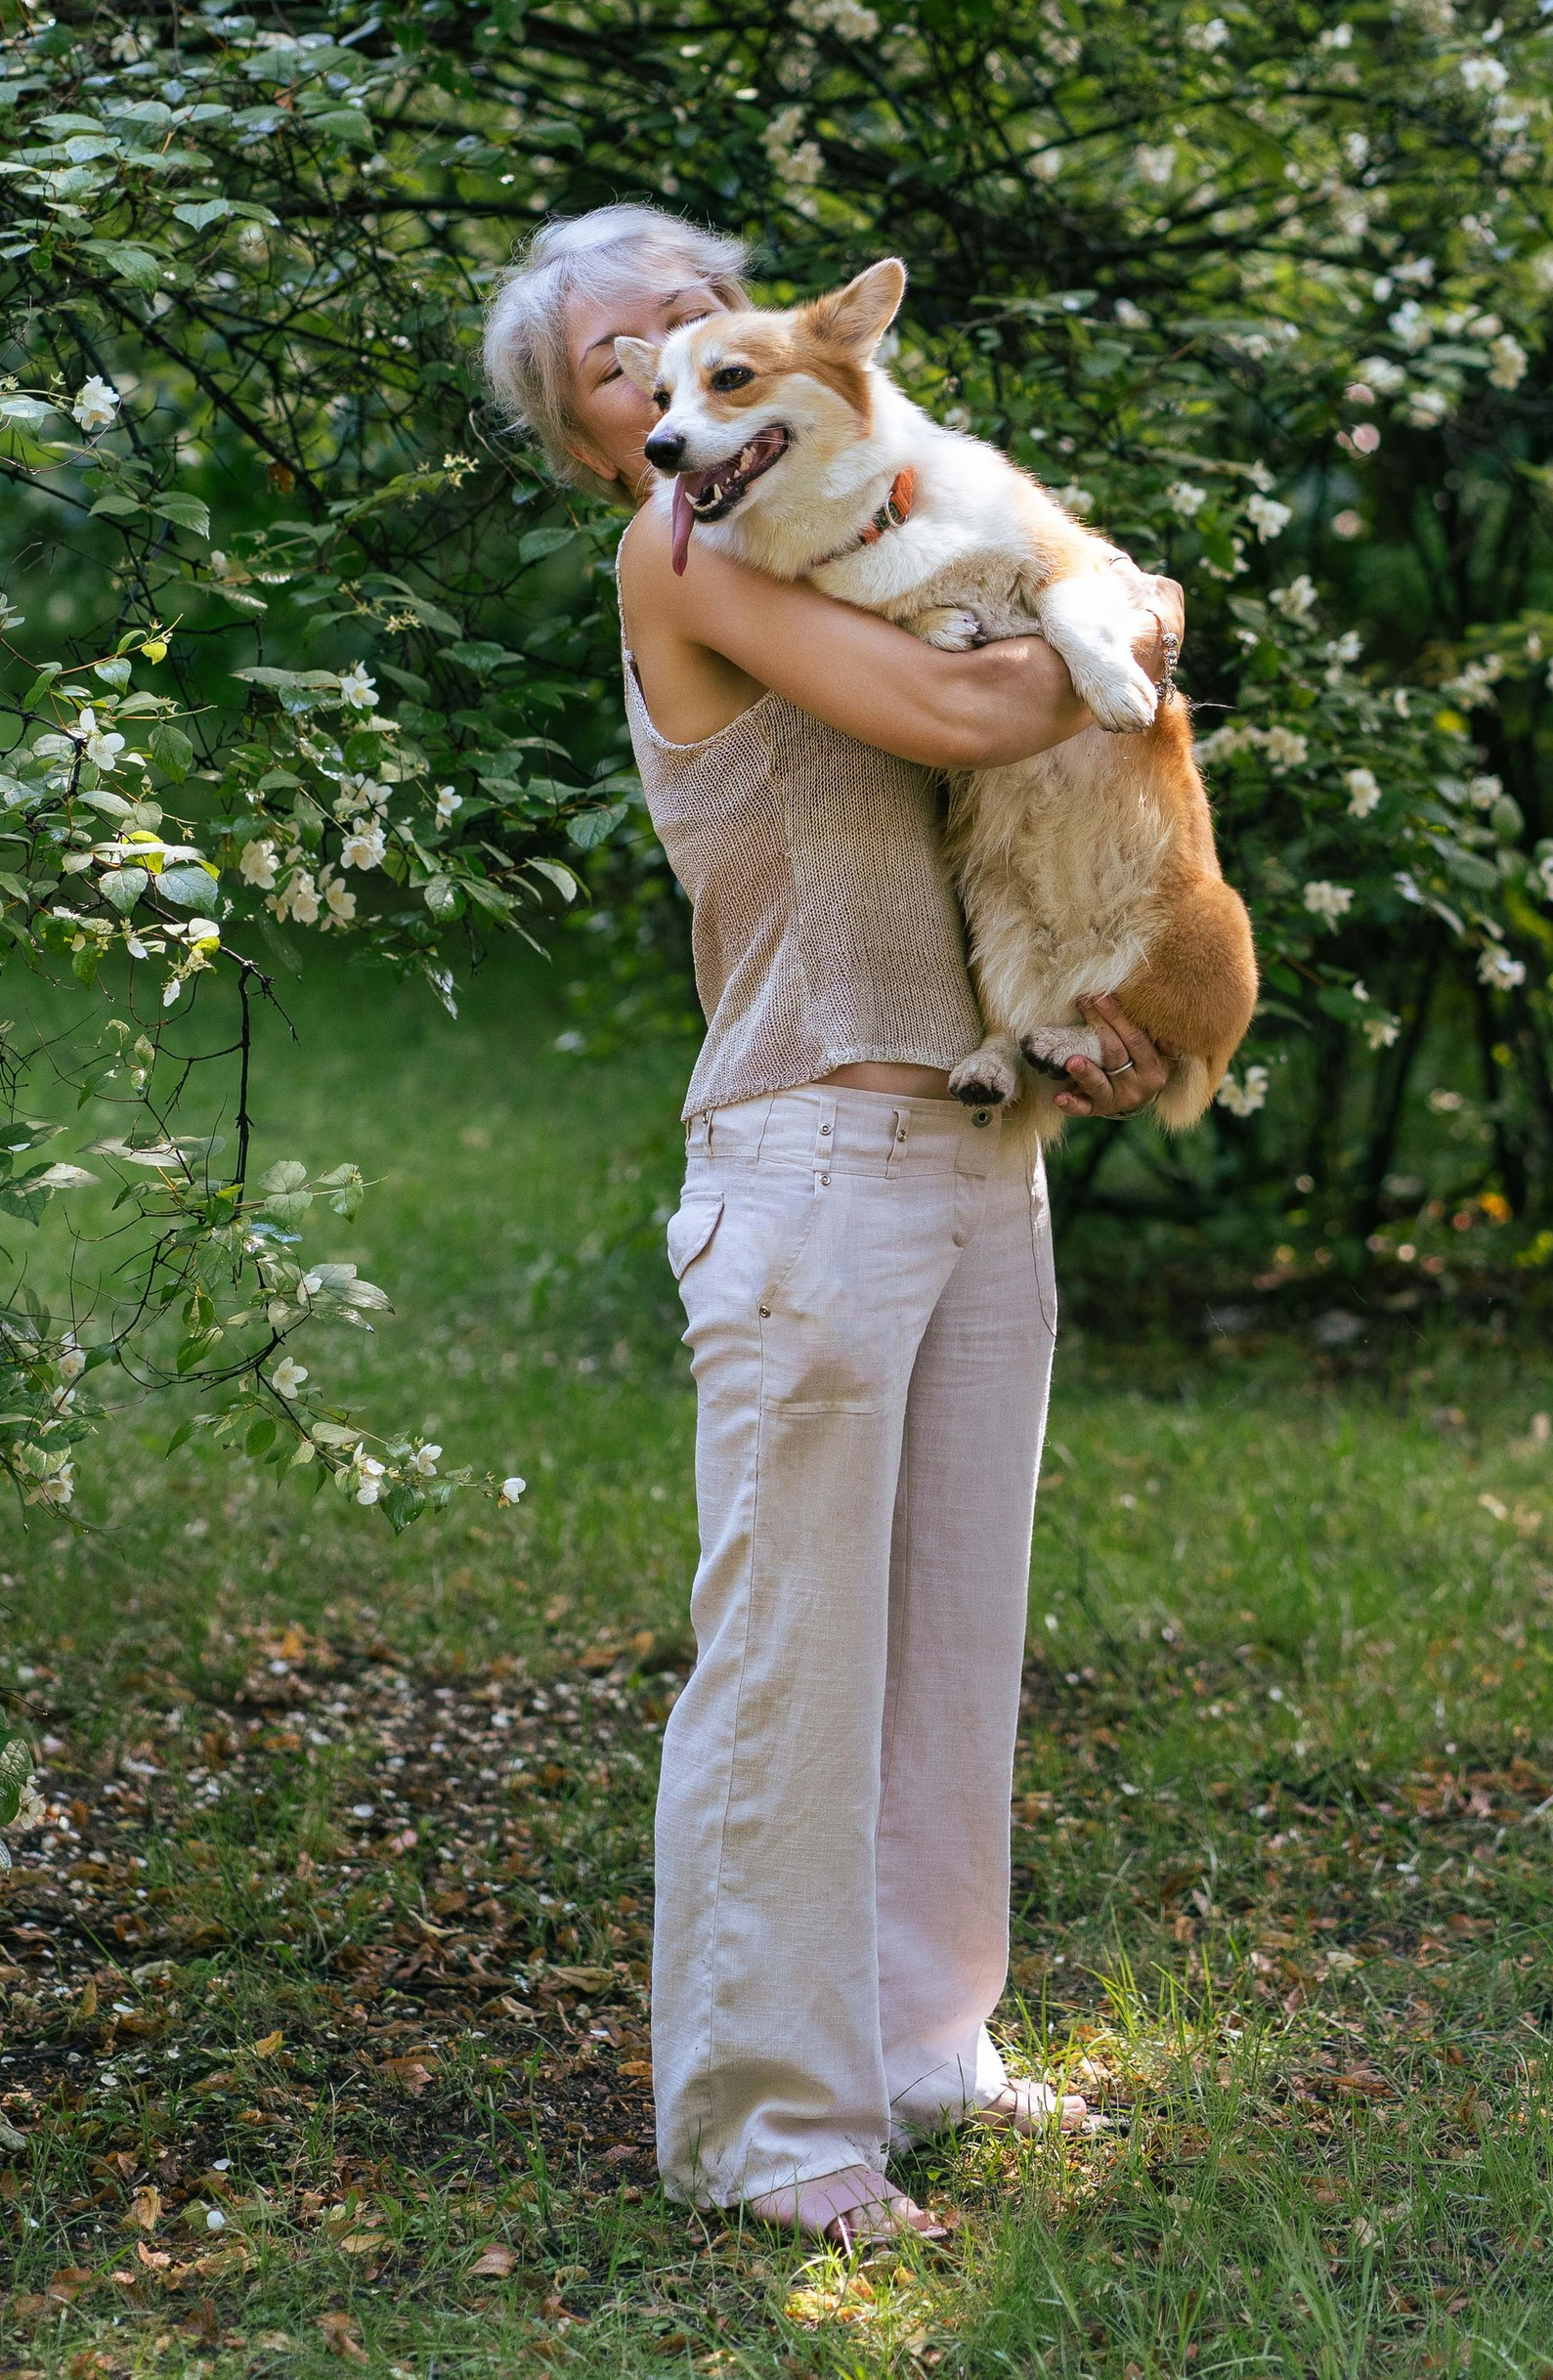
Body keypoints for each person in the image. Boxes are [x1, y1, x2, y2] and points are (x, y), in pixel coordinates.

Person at [481, 201, 1179, 2252]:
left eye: (700, 312)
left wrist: (1073, 1032)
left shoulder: (876, 527)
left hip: (974, 1150)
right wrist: (1109, 619)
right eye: (622, 357)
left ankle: (921, 2055)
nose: (672, 352)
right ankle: (771, 2126)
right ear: (606, 440)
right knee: (790, 1660)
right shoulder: (680, 556)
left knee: (949, 1633)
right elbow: (975, 713)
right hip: (802, 1160)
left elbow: (1034, 761)